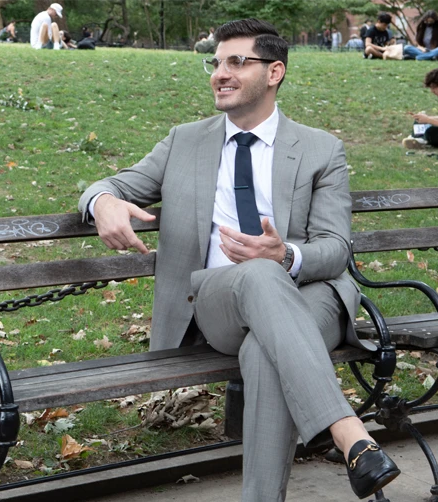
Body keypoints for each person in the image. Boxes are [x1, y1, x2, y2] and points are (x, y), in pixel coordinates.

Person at [78, 18, 400, 501]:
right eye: (215, 62)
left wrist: (286, 254)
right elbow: (111, 186)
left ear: (274, 72)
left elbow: (335, 248)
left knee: (263, 349)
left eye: (236, 62)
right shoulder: (184, 141)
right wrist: (101, 203)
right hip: (220, 302)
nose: (219, 73)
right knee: (256, 278)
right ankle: (349, 434)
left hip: (310, 296)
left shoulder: (319, 149)